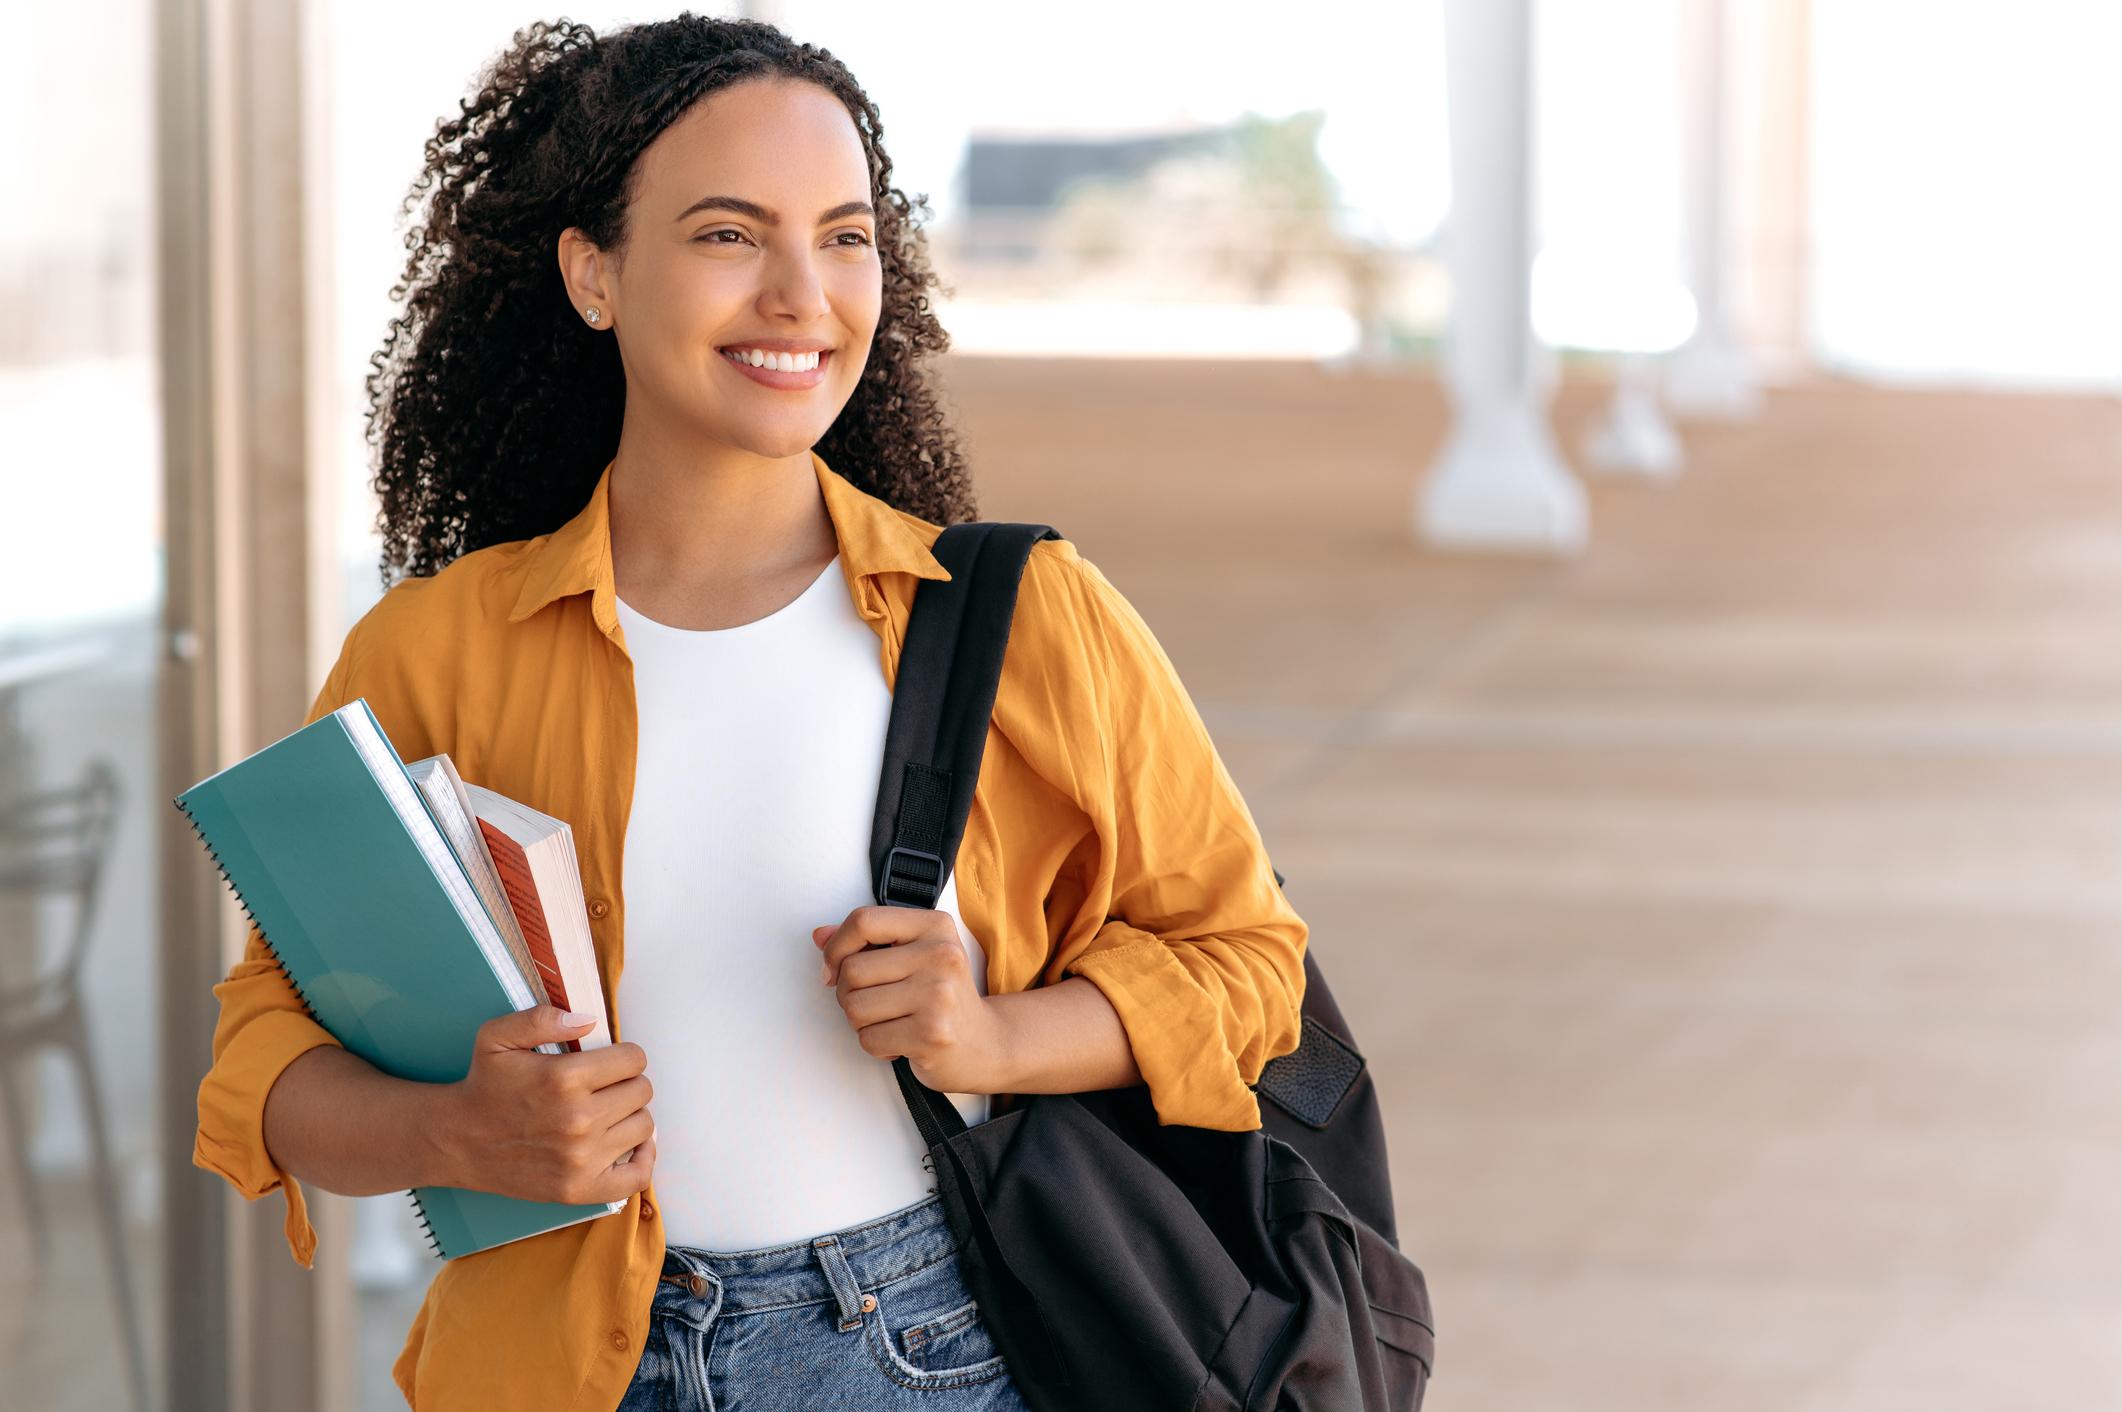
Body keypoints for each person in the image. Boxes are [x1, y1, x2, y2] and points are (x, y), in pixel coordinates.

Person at [192, 14, 1308, 1411]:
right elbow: (266, 1051)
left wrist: (993, 1037)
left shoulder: (1024, 618)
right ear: (593, 274)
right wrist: (457, 1132)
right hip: (552, 1364)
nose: (802, 293)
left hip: (932, 1353)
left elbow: (1248, 964)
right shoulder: (434, 650)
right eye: (728, 235)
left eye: (844, 237)